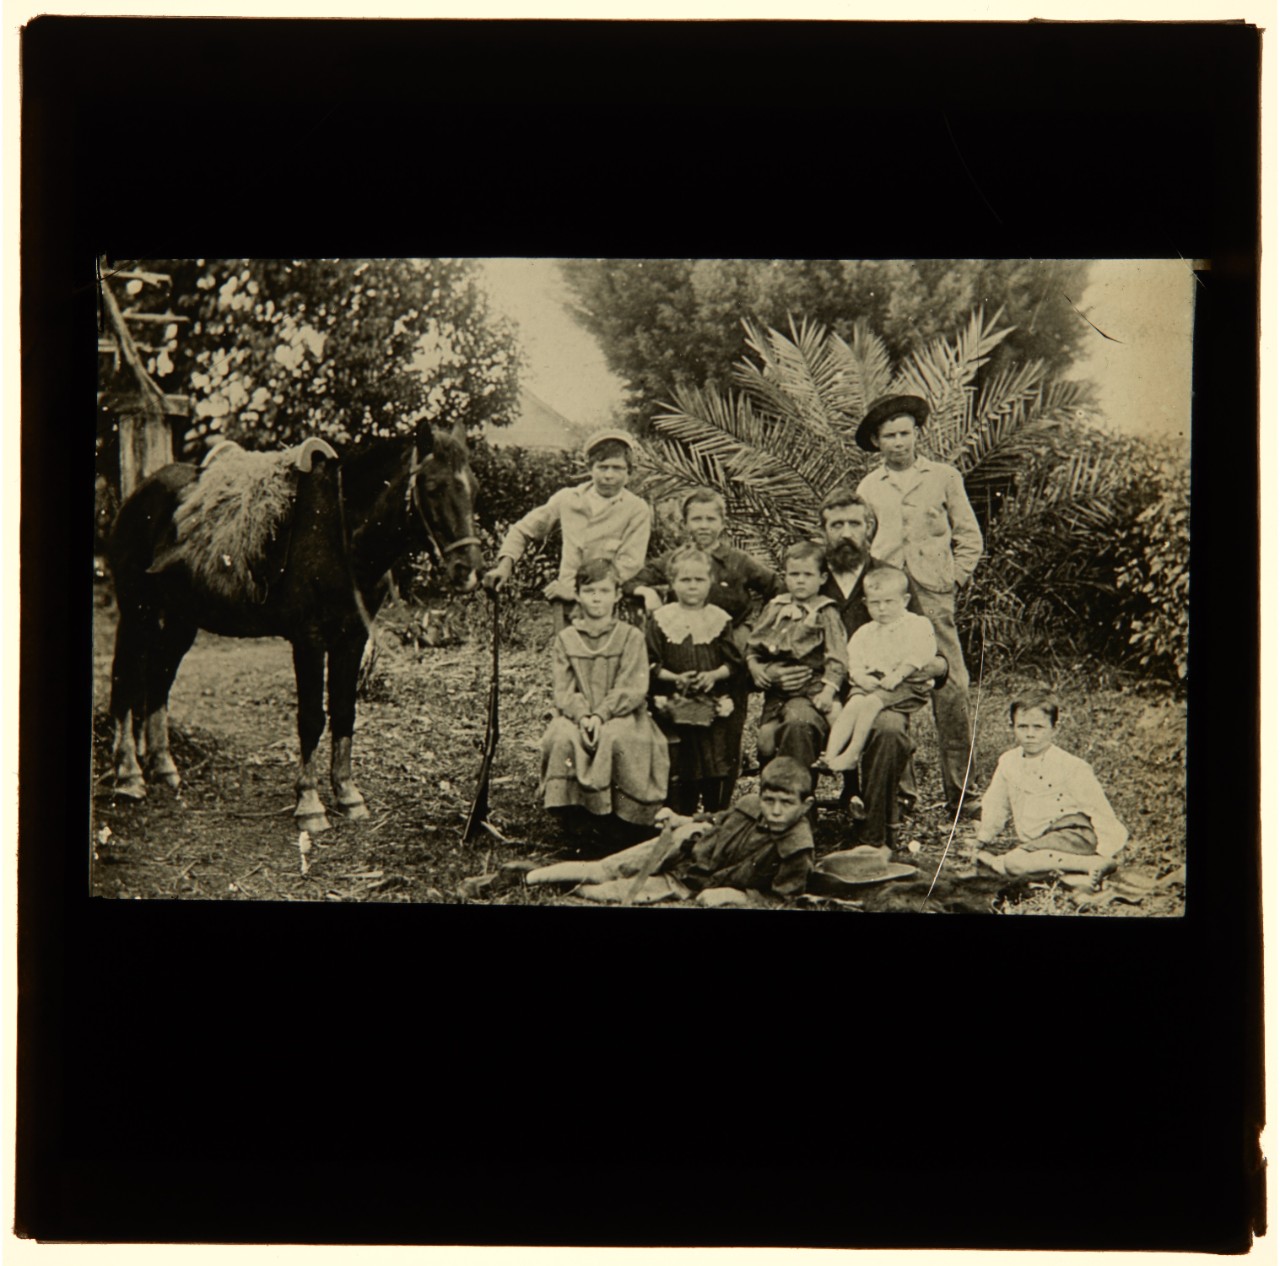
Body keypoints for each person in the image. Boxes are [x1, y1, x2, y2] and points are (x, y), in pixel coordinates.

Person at [854, 395, 983, 814]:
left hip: (934, 590)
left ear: (917, 434)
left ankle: (961, 792)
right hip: (890, 594)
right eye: (889, 436)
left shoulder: (943, 476)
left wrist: (956, 577)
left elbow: (969, 535)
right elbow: (862, 540)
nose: (898, 443)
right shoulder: (869, 487)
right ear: (876, 441)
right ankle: (902, 792)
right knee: (892, 681)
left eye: (905, 433)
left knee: (950, 685)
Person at [813, 486, 947, 848]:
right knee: (797, 721)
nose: (845, 533)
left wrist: (934, 666)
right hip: (820, 686)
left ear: (869, 529)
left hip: (882, 688)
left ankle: (874, 835)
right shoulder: (808, 578)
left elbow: (926, 643)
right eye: (835, 524)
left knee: (888, 728)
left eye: (854, 524)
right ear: (823, 531)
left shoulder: (890, 580)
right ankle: (798, 828)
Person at [525, 756, 816, 906]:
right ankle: (532, 875)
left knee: (610, 893)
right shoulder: (751, 804)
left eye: (786, 803)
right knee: (608, 868)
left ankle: (556, 885)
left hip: (689, 882)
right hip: (684, 845)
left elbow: (783, 900)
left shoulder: (796, 849)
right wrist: (682, 819)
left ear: (806, 806)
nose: (775, 810)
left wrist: (736, 896)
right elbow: (718, 818)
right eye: (770, 800)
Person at [628, 488, 780, 774]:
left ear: (723, 523)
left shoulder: (738, 561)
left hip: (729, 651)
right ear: (685, 523)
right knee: (686, 720)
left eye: (711, 519)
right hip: (686, 655)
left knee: (729, 721)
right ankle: (686, 785)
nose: (704, 526)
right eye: (696, 519)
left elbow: (777, 589)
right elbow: (632, 581)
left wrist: (756, 630)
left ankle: (724, 785)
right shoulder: (675, 560)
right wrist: (645, 591)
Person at [539, 559, 670, 840]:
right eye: (589, 591)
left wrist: (602, 715)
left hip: (623, 714)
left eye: (603, 591)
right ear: (577, 594)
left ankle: (620, 822)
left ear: (617, 595)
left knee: (618, 737)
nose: (597, 598)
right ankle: (576, 821)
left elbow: (633, 686)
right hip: (578, 714)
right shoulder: (567, 639)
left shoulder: (630, 637)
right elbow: (564, 689)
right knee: (562, 736)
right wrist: (584, 715)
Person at [482, 428, 652, 630]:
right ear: (590, 468)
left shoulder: (636, 508)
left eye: (617, 468)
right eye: (602, 467)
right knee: (569, 657)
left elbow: (630, 562)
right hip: (567, 606)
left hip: (612, 605)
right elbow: (523, 530)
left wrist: (580, 592)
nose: (609, 475)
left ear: (629, 472)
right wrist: (505, 566)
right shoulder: (568, 499)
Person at [972, 691, 1128, 890]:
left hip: (1074, 835)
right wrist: (984, 837)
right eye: (1022, 727)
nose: (1030, 734)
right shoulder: (1008, 762)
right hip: (1042, 842)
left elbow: (1098, 809)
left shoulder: (1071, 766)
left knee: (1011, 863)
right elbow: (996, 804)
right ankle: (1073, 877)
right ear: (1012, 727)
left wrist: (1105, 850)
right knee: (999, 861)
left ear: (1055, 729)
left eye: (1038, 727)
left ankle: (1092, 864)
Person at [817, 568, 937, 805]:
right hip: (874, 682)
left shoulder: (916, 624)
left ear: (905, 601)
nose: (882, 609)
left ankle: (852, 754)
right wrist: (861, 677)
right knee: (853, 704)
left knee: (871, 703)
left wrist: (900, 673)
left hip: (907, 683)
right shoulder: (866, 631)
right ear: (865, 603)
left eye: (889, 602)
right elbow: (854, 659)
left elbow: (922, 652)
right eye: (875, 603)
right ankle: (830, 756)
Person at [645, 546, 744, 815]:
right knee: (681, 762)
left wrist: (713, 675)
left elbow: (733, 663)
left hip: (709, 703)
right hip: (673, 704)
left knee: (712, 761)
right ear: (673, 583)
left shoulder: (719, 619)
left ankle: (713, 813)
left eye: (699, 580)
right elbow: (650, 662)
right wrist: (675, 678)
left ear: (710, 581)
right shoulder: (661, 620)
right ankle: (680, 814)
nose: (692, 586)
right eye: (685, 580)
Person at [745, 540, 847, 768]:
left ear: (822, 578)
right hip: (779, 689)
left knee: (838, 721)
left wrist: (829, 690)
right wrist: (755, 666)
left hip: (814, 683)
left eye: (808, 575)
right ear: (785, 577)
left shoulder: (825, 611)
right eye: (794, 574)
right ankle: (770, 780)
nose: (800, 580)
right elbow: (754, 643)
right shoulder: (776, 606)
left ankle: (839, 766)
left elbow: (837, 655)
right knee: (765, 742)